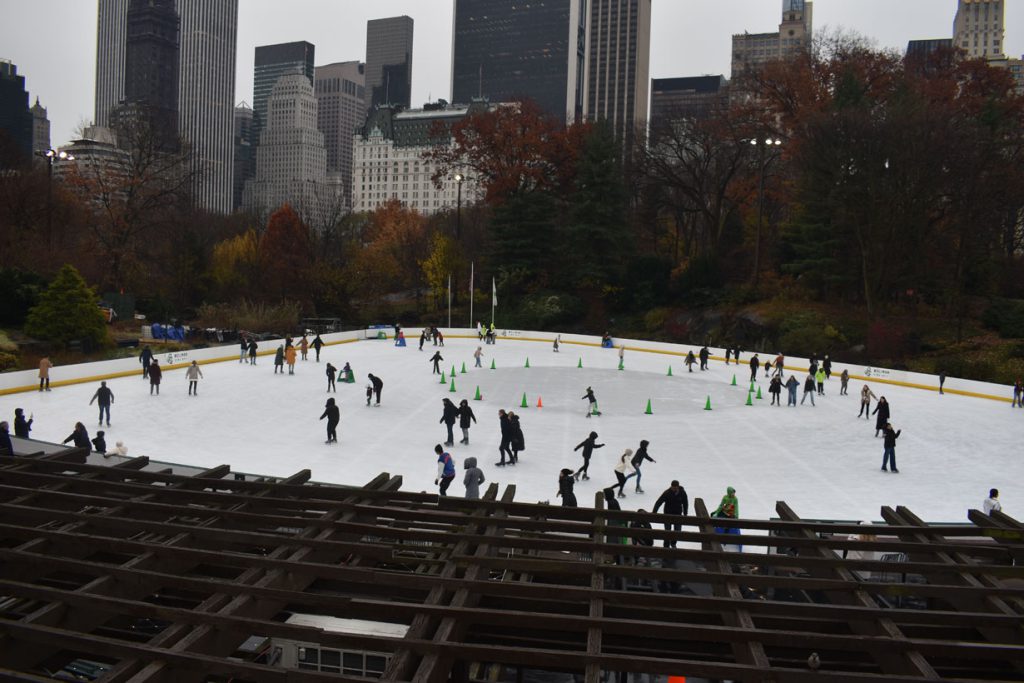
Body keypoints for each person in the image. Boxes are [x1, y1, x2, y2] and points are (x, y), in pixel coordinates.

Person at [653, 480, 689, 548]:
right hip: (667, 515)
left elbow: (685, 503)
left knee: (677, 531)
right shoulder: (667, 493)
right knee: (667, 531)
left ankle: (673, 543)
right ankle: (666, 546)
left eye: (676, 488)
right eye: (673, 487)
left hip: (678, 515)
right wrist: (654, 512)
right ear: (671, 486)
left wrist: (685, 513)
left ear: (678, 487)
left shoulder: (682, 493)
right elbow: (659, 502)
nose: (674, 489)